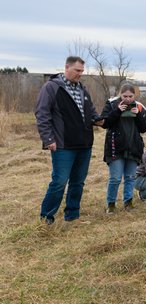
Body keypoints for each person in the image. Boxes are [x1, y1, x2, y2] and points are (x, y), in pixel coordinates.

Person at [35, 56, 104, 224]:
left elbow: (91, 113)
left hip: (84, 144)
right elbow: (42, 114)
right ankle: (46, 218)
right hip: (63, 145)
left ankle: (72, 216)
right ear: (67, 67)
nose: (80, 74)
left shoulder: (83, 89)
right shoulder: (51, 88)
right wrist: (48, 139)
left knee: (78, 182)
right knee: (59, 182)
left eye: (82, 71)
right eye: (77, 70)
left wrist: (100, 120)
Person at [101, 83, 146, 214]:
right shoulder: (111, 104)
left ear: (135, 95)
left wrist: (138, 114)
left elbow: (144, 128)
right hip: (115, 146)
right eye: (125, 96)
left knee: (130, 177)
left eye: (131, 96)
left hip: (133, 146)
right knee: (115, 178)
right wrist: (117, 111)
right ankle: (111, 204)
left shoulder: (139, 106)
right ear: (120, 95)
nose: (128, 99)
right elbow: (104, 123)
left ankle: (128, 202)